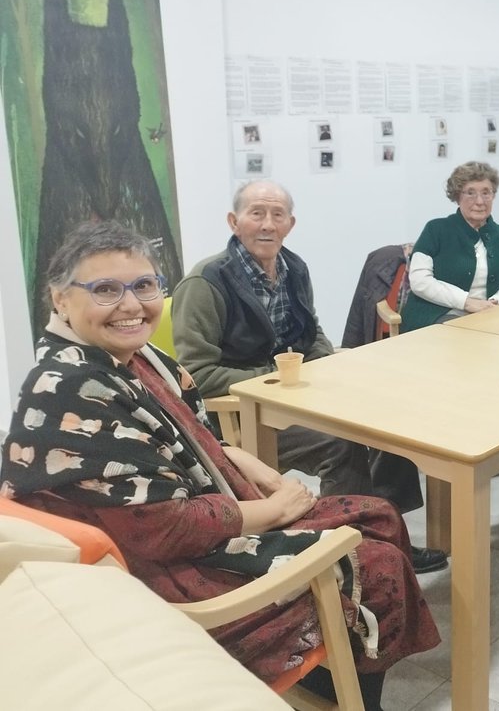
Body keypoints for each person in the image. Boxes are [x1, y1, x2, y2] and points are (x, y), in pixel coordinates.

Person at [0, 221, 439, 708]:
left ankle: (343, 667)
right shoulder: (71, 389)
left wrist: (248, 462)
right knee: (376, 564)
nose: (130, 305)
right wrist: (276, 509)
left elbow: (188, 429)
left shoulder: (131, 356)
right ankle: (346, 694)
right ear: (60, 299)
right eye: (105, 289)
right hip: (174, 571)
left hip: (199, 514)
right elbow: (165, 529)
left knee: (380, 514)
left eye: (143, 285)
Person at [173, 180, 446, 574]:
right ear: (234, 221)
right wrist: (279, 377)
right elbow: (196, 374)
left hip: (295, 393)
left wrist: (326, 364)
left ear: (291, 224)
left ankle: (383, 532)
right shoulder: (206, 283)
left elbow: (312, 331)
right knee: (342, 440)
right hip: (241, 414)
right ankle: (347, 550)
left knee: (387, 415)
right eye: (256, 213)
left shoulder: (293, 267)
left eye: (277, 215)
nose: (267, 224)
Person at [400, 161, 499, 332]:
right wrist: (467, 302)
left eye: (486, 193)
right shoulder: (436, 229)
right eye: (471, 193)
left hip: (493, 314)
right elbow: (420, 281)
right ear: (457, 196)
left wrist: (495, 304)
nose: (479, 201)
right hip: (437, 316)